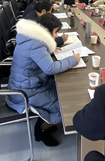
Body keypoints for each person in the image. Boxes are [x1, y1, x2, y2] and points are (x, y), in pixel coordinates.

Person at [6, 14, 79, 147]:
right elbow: (50, 68)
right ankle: (41, 130)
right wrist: (74, 60)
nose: (56, 36)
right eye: (55, 32)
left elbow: (34, 57)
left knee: (60, 92)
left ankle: (44, 119)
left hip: (24, 84)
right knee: (64, 106)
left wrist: (48, 51)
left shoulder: (30, 38)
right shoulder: (36, 44)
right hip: (25, 92)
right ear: (47, 31)